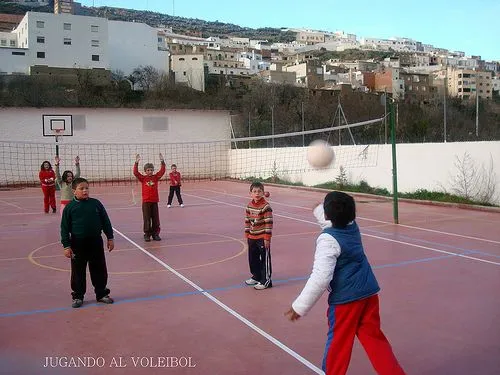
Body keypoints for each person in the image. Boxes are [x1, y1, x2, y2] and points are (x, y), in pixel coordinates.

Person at [284, 191, 406, 375]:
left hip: (346, 302)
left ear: (327, 214)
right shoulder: (352, 226)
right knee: (374, 340)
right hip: (369, 294)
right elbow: (333, 220)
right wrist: (320, 209)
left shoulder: (328, 240)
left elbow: (320, 277)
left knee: (338, 344)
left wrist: (300, 306)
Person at [61, 177, 115, 309]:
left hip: (95, 242)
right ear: (74, 191)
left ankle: (101, 293)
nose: (85, 191)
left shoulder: (96, 204)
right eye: (81, 188)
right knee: (78, 270)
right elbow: (64, 228)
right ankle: (78, 296)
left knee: (99, 268)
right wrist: (66, 246)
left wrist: (110, 237)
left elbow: (105, 221)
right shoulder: (70, 208)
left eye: (87, 188)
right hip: (77, 244)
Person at [244, 182, 273, 290]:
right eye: (254, 191)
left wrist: (267, 238)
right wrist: (247, 233)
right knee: (253, 258)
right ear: (250, 193)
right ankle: (256, 276)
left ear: (263, 193)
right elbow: (247, 220)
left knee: (264, 259)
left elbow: (269, 223)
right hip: (252, 237)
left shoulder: (266, 207)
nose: (257, 194)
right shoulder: (249, 206)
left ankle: (266, 281)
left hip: (262, 237)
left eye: (259, 191)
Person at [133, 153, 166, 242]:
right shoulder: (143, 178)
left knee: (155, 218)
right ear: (145, 171)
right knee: (147, 218)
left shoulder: (155, 177)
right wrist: (136, 162)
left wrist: (162, 161)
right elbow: (135, 173)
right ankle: (147, 234)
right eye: (148, 170)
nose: (150, 171)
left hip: (154, 201)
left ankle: (155, 234)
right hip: (146, 202)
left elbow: (162, 171)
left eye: (151, 170)